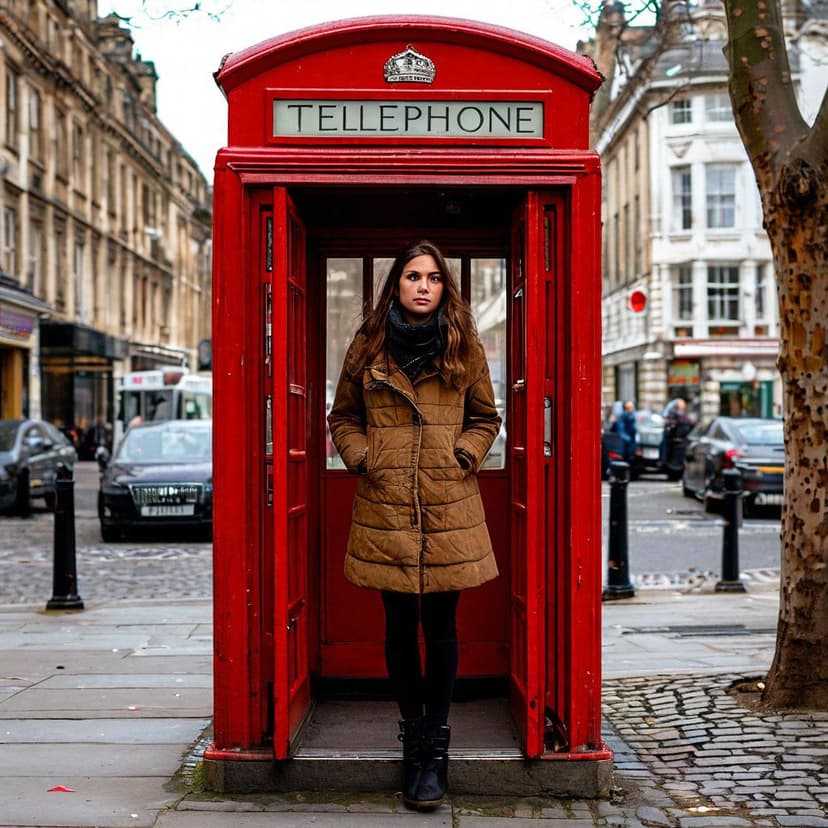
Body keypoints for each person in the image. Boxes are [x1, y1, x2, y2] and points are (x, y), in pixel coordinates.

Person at [327, 240, 501, 811]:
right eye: (411, 276)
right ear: (395, 285)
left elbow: (485, 417)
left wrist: (462, 458)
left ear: (444, 287)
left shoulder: (464, 345)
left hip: (448, 506)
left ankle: (438, 747)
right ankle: (413, 741)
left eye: (432, 278)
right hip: (389, 503)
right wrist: (362, 458)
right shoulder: (368, 345)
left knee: (443, 627)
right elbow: (343, 416)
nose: (422, 286)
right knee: (399, 627)